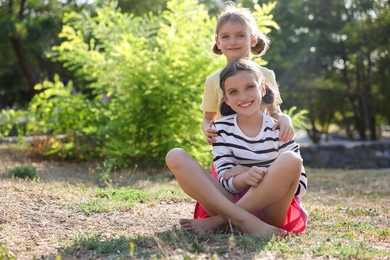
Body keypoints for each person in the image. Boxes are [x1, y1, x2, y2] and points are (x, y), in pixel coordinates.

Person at [166, 59, 308, 236]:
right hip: (230, 201)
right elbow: (224, 179)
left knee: (291, 159)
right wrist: (244, 178)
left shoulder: (280, 129)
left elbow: (299, 186)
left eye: (249, 87)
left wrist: (250, 171)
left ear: (262, 89)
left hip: (271, 211)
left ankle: (221, 221)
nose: (243, 97)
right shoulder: (221, 129)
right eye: (233, 92)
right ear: (226, 99)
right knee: (175, 155)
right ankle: (245, 222)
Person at [195, 2, 294, 219]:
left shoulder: (266, 75)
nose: (233, 41)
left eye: (240, 35)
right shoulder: (213, 81)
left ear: (252, 39)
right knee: (228, 183)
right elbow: (208, 119)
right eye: (226, 36)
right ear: (218, 42)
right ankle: (232, 215)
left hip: (261, 155)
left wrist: (285, 118)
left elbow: (275, 112)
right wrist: (207, 130)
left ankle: (233, 217)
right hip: (229, 157)